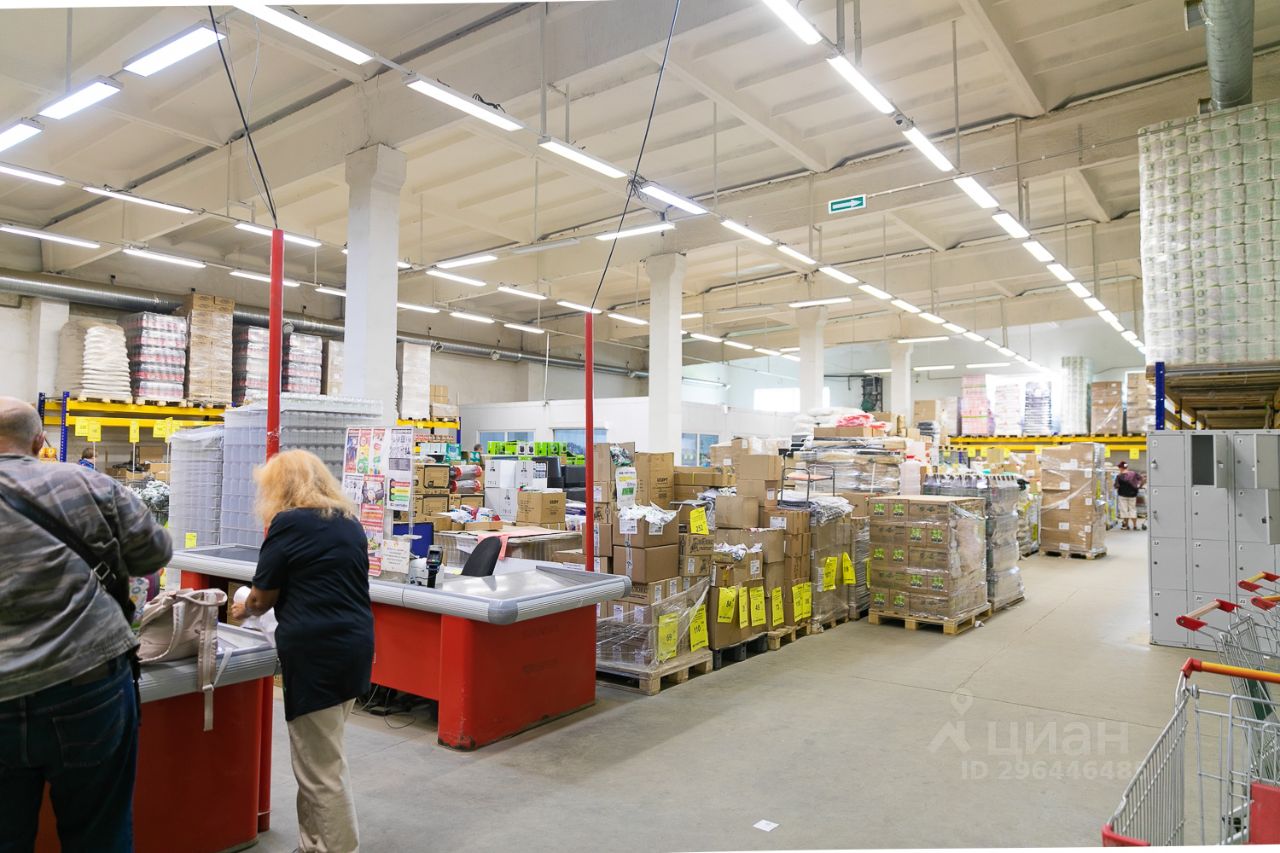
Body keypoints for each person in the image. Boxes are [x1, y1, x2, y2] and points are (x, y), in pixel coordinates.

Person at [0, 397, 172, 852]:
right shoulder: (88, 484)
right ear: (39, 443)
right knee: (100, 834)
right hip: (88, 683)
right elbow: (154, 555)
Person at [232, 449, 373, 853]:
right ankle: (312, 843)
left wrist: (244, 608)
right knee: (319, 756)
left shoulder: (289, 523)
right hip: (354, 646)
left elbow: (262, 596)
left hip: (316, 655)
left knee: (321, 768)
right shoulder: (348, 521)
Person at [1115, 461, 1146, 531]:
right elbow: (1142, 478)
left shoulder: (1119, 476)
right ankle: (1135, 526)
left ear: (1121, 468)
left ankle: (1126, 526)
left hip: (1122, 495)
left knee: (1124, 510)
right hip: (1133, 495)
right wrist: (1139, 486)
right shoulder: (1134, 473)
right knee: (1133, 509)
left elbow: (1116, 486)